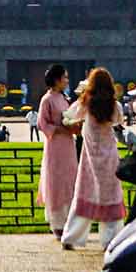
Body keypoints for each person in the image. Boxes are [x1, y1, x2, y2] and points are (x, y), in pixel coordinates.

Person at [60, 68, 128, 250]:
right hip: (109, 157)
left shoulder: (86, 103)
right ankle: (110, 240)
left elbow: (69, 116)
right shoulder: (115, 106)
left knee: (84, 193)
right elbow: (118, 121)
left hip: (90, 156)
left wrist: (82, 93)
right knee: (111, 195)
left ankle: (71, 237)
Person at [35, 64, 77, 237]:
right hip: (55, 145)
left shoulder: (64, 98)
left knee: (69, 180)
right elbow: (41, 123)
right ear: (57, 79)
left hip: (68, 144)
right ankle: (57, 222)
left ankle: (69, 220)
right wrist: (58, 129)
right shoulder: (47, 99)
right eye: (65, 78)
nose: (67, 81)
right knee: (56, 182)